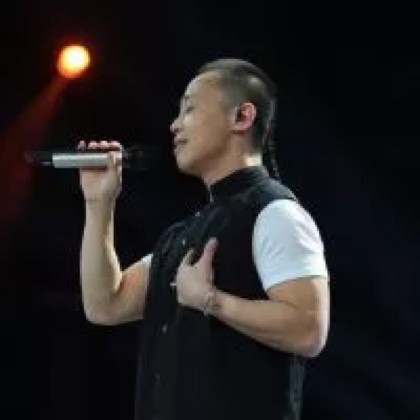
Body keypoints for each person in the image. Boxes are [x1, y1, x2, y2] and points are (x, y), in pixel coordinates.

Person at [78, 58, 330, 420]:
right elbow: (105, 305)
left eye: (190, 109)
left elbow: (309, 330)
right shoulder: (182, 235)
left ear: (242, 117)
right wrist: (99, 204)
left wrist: (211, 301)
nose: (175, 124)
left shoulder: (275, 213)